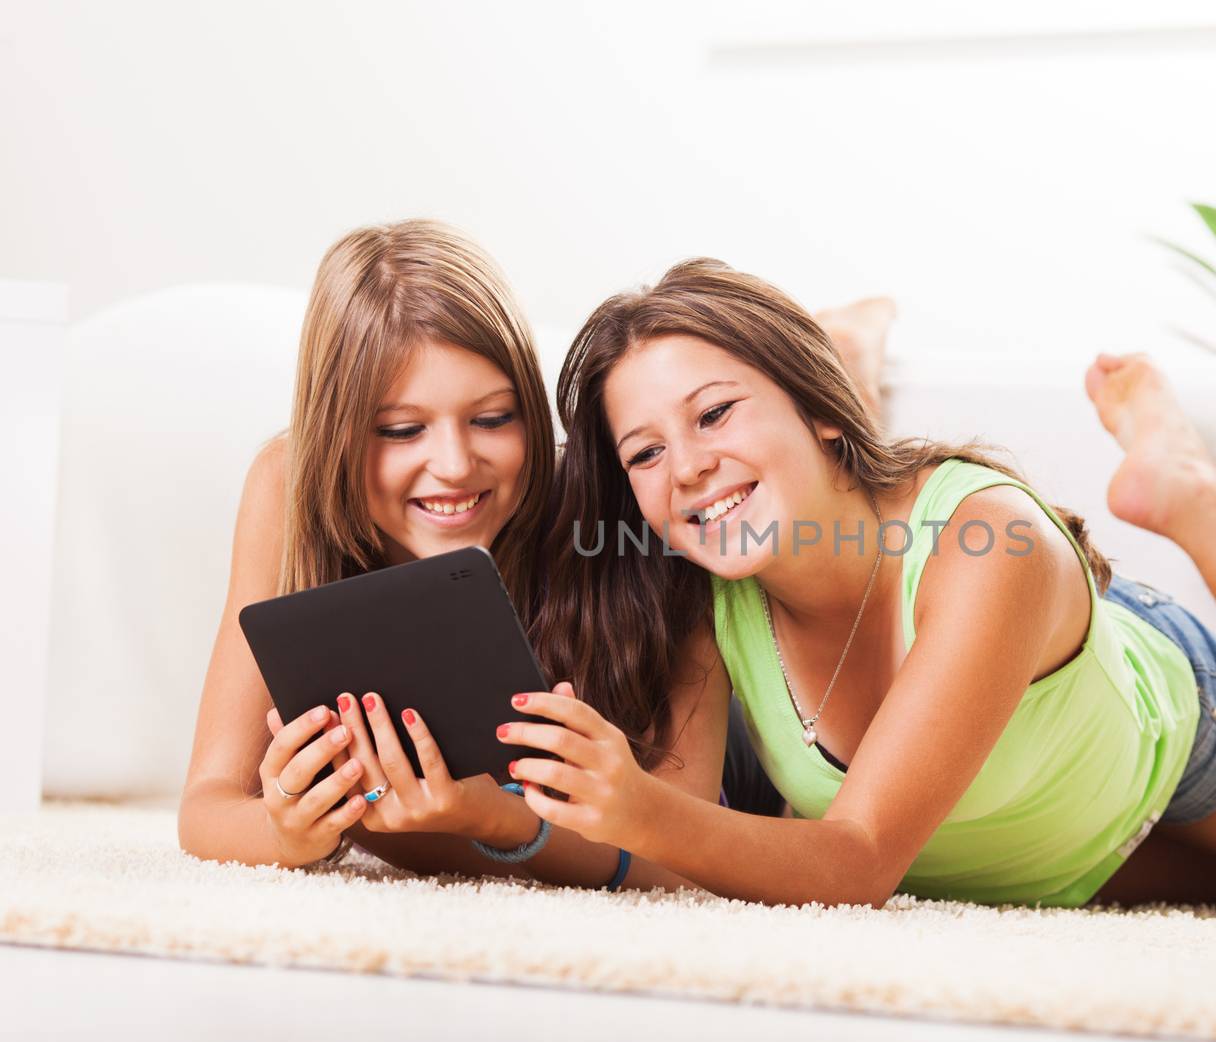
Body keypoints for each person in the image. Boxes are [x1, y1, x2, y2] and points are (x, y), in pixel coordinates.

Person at [500, 258, 1216, 922]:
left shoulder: (988, 540)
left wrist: (636, 806)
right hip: (1027, 848)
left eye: (716, 411)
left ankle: (1188, 495)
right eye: (643, 451)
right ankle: (845, 346)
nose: (683, 466)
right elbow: (683, 853)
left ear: (814, 406)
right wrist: (476, 817)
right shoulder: (699, 587)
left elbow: (856, 860)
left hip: (1152, 739)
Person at [177, 223, 876, 885]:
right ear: (333, 436)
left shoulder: (620, 501)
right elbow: (207, 806)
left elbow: (679, 854)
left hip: (727, 779)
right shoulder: (288, 484)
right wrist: (292, 836)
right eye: (400, 430)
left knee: (828, 452)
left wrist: (497, 819)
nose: (453, 464)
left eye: (492, 418)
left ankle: (846, 351)